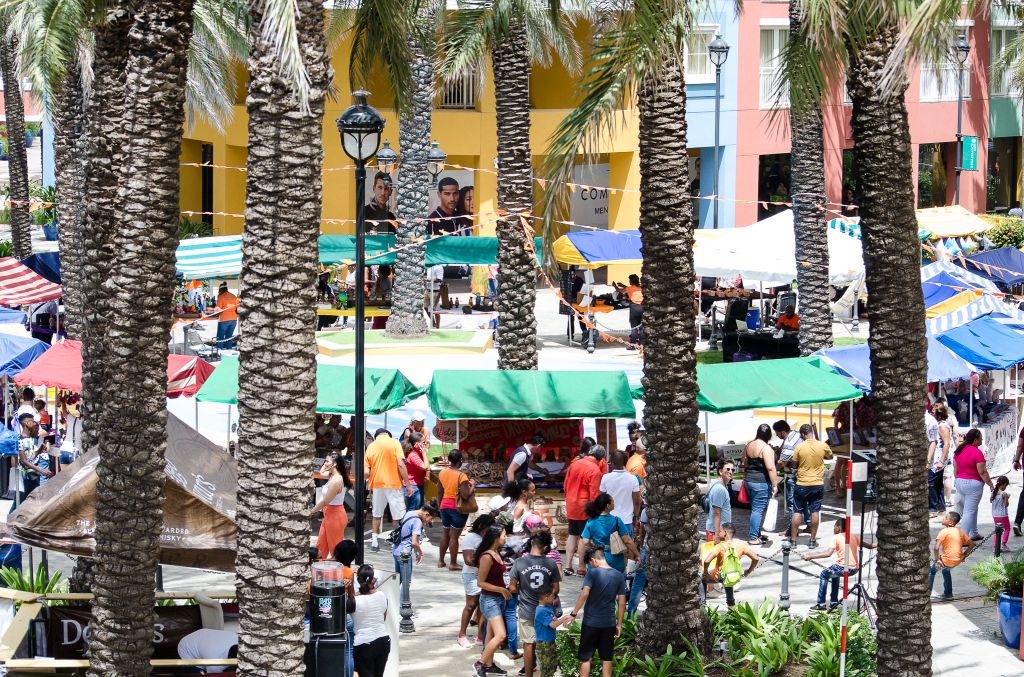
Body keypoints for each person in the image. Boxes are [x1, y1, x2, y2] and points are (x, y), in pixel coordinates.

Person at [565, 546, 627, 677]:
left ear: (594, 560)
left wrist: (573, 614)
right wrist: (619, 624)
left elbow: (584, 593)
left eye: (590, 564)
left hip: (591, 623)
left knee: (586, 658)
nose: (591, 567)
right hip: (609, 623)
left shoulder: (592, 573)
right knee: (607, 658)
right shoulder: (619, 575)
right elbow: (622, 602)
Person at [511, 529, 561, 677]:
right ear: (546, 547)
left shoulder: (519, 562)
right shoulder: (551, 563)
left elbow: (512, 587)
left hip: (526, 610)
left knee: (528, 645)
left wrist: (524, 590)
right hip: (545, 612)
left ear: (532, 542)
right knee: (545, 643)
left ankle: (528, 675)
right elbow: (556, 589)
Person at [802, 518, 877, 610]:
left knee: (823, 575)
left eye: (835, 526)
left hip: (843, 568)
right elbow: (870, 546)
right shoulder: (853, 536)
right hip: (854, 570)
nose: (833, 529)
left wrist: (810, 556)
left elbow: (828, 554)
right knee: (834, 574)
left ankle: (821, 603)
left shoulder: (836, 537)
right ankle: (833, 602)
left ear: (839, 527)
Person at [366, 429, 411, 552]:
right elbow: (401, 465)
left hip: (377, 484)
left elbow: (366, 472)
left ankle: (374, 541)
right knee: (397, 515)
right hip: (393, 483)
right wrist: (407, 484)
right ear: (388, 435)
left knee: (376, 514)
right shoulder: (394, 442)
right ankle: (395, 542)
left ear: (376, 437)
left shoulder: (371, 446)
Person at [474, 526, 511, 677]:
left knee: (490, 636)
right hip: (490, 600)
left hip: (499, 600)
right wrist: (501, 590)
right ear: (496, 537)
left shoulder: (497, 554)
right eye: (504, 535)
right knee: (501, 636)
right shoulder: (486, 557)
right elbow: (480, 583)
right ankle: (480, 663)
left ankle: (489, 665)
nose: (506, 537)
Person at [563, 442, 604, 574]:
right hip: (584, 507)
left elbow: (565, 485)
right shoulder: (595, 470)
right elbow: (594, 495)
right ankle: (581, 567)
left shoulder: (574, 463)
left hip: (571, 503)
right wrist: (596, 511)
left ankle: (568, 565)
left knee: (572, 534)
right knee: (583, 537)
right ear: (600, 458)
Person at [789, 424, 832, 548]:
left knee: (797, 511)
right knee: (815, 511)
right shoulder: (822, 445)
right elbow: (830, 456)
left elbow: (794, 465)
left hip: (802, 483)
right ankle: (812, 540)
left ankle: (793, 540)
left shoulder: (799, 447)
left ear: (802, 435)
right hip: (817, 484)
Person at [346, 564, 391, 677]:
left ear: (358, 580)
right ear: (372, 579)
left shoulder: (353, 601)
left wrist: (349, 587)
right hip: (383, 641)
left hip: (363, 644)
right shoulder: (382, 595)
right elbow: (383, 618)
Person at [458, 514, 496, 648]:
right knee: (471, 604)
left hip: (483, 575)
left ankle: (480, 635)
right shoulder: (470, 538)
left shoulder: (485, 538)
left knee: (482, 606)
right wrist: (485, 565)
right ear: (481, 526)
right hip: (472, 574)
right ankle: (462, 634)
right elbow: (468, 559)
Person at [578, 493, 639, 574]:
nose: (614, 503)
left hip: (597, 557)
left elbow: (585, 542)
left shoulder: (591, 521)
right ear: (608, 506)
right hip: (614, 559)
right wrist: (637, 554)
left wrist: (593, 549)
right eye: (612, 501)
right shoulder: (616, 521)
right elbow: (627, 540)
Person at [702, 523, 759, 608]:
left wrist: (706, 572)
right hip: (734, 575)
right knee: (728, 580)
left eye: (720, 531)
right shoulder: (741, 545)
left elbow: (707, 561)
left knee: (701, 579)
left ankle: (702, 603)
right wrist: (748, 571)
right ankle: (731, 605)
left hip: (719, 576)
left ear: (725, 533)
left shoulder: (720, 546)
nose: (718, 533)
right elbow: (756, 558)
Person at [437, 449, 475, 571]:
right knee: (454, 537)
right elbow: (465, 495)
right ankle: (453, 563)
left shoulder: (442, 472)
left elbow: (439, 491)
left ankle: (441, 561)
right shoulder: (461, 476)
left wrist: (439, 506)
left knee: (445, 533)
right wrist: (472, 485)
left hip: (444, 506)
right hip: (457, 508)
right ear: (460, 461)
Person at [953, 428, 994, 541]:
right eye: (981, 438)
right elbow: (982, 472)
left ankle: (973, 532)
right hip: (973, 484)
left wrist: (958, 481)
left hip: (960, 482)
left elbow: (955, 469)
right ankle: (964, 538)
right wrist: (990, 484)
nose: (982, 439)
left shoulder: (959, 450)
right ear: (975, 440)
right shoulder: (977, 453)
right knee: (969, 511)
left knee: (971, 508)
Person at [310, 452, 353, 560]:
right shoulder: (332, 475)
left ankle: (340, 572)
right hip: (329, 515)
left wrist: (312, 511)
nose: (325, 463)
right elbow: (321, 472)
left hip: (335, 516)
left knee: (335, 549)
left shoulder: (337, 480)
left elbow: (325, 501)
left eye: (327, 461)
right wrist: (327, 462)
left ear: (335, 464)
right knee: (321, 546)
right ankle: (319, 569)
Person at [743, 424, 779, 545]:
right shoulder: (766, 448)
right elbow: (770, 468)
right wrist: (775, 485)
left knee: (755, 508)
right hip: (761, 482)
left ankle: (757, 533)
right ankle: (753, 537)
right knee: (758, 510)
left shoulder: (749, 445)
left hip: (749, 480)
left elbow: (745, 463)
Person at [391, 502, 439, 588]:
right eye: (430, 519)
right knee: (406, 582)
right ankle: (403, 602)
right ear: (426, 514)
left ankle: (396, 600)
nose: (430, 522)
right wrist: (421, 553)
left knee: (399, 580)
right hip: (404, 553)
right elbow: (414, 542)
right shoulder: (417, 521)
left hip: (396, 550)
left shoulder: (410, 513)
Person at [929, 511, 975, 600]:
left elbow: (936, 548)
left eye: (945, 518)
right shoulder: (959, 531)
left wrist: (937, 560)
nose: (943, 519)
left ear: (951, 522)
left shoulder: (944, 531)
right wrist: (964, 555)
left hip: (946, 561)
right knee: (946, 571)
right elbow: (972, 544)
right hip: (957, 560)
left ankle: (927, 593)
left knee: (931, 572)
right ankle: (948, 594)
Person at [773, 420, 806, 528]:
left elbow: (782, 462)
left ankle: (791, 530)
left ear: (782, 432)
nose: (777, 436)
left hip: (793, 475)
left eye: (777, 433)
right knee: (805, 502)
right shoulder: (797, 434)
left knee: (792, 504)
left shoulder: (789, 442)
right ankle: (809, 525)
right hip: (804, 473)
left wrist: (772, 469)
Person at [599, 450, 640, 535]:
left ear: (613, 463)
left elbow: (602, 500)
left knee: (609, 547)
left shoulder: (605, 478)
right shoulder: (633, 478)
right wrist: (635, 516)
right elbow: (636, 501)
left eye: (609, 463)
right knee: (628, 546)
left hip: (609, 520)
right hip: (627, 521)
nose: (608, 465)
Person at [927, 403, 954, 516]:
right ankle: (941, 507)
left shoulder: (942, 426)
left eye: (933, 412)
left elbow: (946, 443)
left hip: (938, 458)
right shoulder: (937, 424)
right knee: (938, 483)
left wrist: (941, 460)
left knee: (931, 482)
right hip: (937, 457)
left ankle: (933, 508)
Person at [17, 412, 50, 499]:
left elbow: (30, 456)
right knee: (21, 500)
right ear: (26, 423)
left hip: (33, 475)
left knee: (33, 499)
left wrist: (39, 451)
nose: (34, 422)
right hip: (25, 477)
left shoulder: (31, 439)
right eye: (31, 421)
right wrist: (41, 470)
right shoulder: (20, 439)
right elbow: (24, 461)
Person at [533, 588, 563, 677]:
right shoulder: (541, 611)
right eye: (552, 596)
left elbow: (555, 620)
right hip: (544, 644)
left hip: (550, 641)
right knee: (546, 669)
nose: (554, 598)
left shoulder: (548, 607)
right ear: (546, 598)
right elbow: (553, 625)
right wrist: (564, 618)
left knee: (552, 666)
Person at [626, 507, 648, 615]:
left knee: (638, 582)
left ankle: (630, 614)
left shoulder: (647, 510)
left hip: (647, 550)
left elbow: (642, 531)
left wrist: (641, 547)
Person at [706, 458, 733, 541]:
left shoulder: (720, 485)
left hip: (720, 530)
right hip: (717, 532)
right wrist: (717, 535)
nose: (731, 472)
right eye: (727, 469)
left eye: (732, 469)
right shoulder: (719, 489)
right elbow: (716, 513)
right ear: (720, 471)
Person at [403, 432, 428, 511]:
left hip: (417, 485)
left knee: (416, 510)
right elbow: (425, 467)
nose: (425, 444)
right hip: (413, 486)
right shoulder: (413, 455)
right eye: (423, 442)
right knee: (413, 511)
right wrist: (424, 453)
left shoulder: (416, 453)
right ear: (417, 444)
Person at [212, 283, 239, 350]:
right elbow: (237, 309)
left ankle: (219, 352)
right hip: (234, 319)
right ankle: (229, 351)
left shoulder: (221, 297)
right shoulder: (234, 296)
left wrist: (214, 312)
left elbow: (218, 310)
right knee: (229, 337)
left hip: (224, 320)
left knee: (220, 337)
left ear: (220, 289)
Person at [621, 274, 643, 348]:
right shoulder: (641, 287)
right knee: (641, 326)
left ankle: (633, 345)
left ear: (631, 281)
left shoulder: (629, 288)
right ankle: (641, 344)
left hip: (634, 308)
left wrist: (614, 286)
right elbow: (629, 288)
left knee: (634, 327)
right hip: (642, 307)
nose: (629, 282)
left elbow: (620, 290)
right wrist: (623, 285)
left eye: (629, 280)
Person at [991, 475, 1011, 551]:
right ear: (1004, 484)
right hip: (1003, 515)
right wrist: (1007, 498)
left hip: (995, 515)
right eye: (1006, 485)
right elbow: (1006, 505)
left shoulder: (993, 492)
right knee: (1007, 529)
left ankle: (995, 545)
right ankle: (1003, 544)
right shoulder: (1004, 494)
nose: (1005, 487)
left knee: (997, 530)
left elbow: (991, 500)